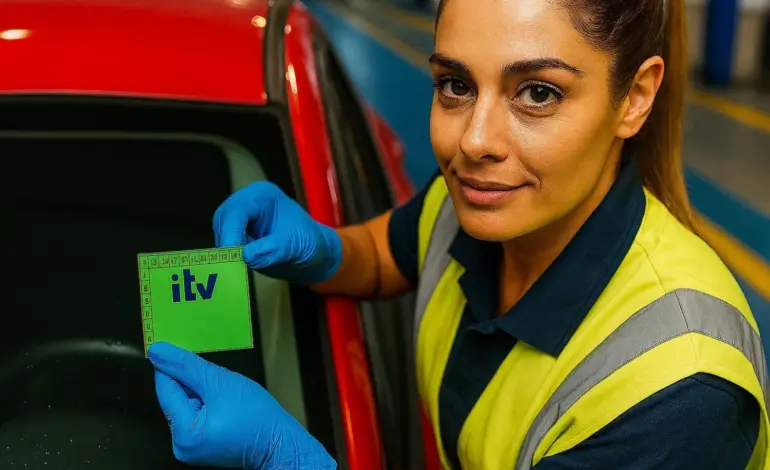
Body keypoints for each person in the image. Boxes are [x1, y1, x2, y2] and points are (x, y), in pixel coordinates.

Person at [147, 0, 770, 467]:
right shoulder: (470, 205)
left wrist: (285, 457)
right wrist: (323, 250)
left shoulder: (679, 394)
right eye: (456, 85)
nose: (473, 141)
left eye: (537, 93)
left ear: (634, 97)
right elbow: (384, 255)